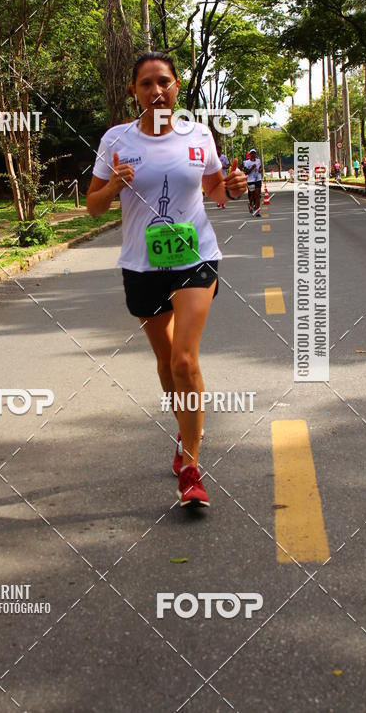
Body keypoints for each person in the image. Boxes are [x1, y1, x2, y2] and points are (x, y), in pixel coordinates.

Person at [86, 51, 247, 509]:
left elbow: (215, 189)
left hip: (197, 258)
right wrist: (114, 185)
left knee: (183, 361)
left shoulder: (198, 135)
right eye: (146, 84)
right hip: (141, 264)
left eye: (164, 82)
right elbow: (92, 207)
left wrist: (231, 188)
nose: (156, 91)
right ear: (134, 92)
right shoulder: (116, 139)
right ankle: (185, 428)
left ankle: (192, 467)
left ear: (176, 87)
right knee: (164, 363)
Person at [243, 148, 262, 215]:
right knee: (252, 195)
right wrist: (252, 168)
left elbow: (260, 168)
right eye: (252, 153)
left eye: (254, 153)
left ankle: (257, 210)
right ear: (250, 154)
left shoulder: (258, 161)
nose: (253, 155)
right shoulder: (247, 162)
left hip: (258, 179)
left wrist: (260, 170)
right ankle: (250, 204)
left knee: (257, 195)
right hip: (250, 180)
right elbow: (246, 172)